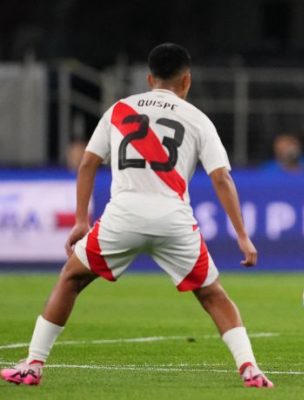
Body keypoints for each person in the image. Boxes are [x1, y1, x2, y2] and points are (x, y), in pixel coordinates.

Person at [1, 43, 273, 388]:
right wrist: (242, 236)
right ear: (186, 81)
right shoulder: (197, 118)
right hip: (173, 218)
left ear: (149, 77)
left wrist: (81, 222)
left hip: (124, 215)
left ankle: (33, 365)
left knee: (71, 279)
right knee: (212, 294)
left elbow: (87, 163)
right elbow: (221, 178)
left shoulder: (119, 110)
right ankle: (250, 367)